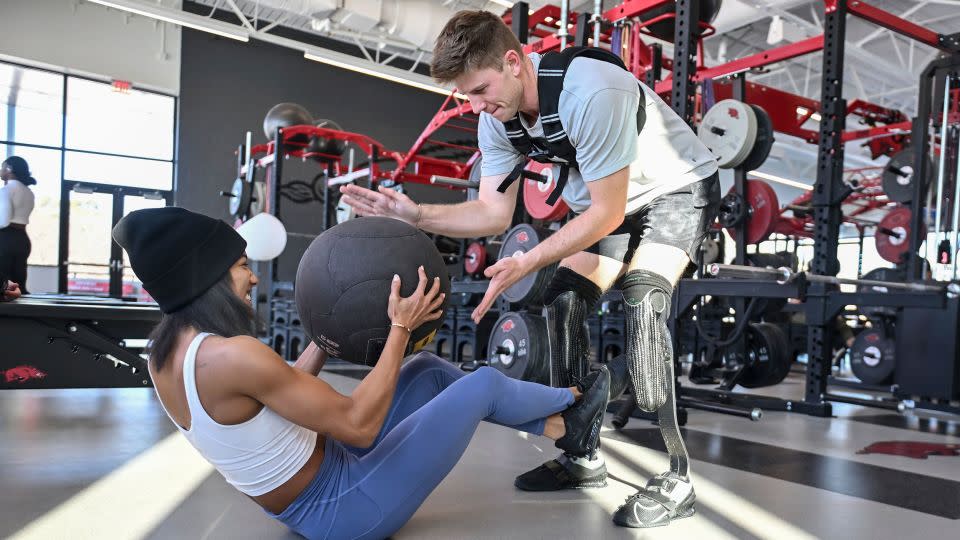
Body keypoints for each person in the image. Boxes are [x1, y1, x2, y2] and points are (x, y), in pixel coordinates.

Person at [338, 10, 720, 528]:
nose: (478, 107)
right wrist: (417, 214)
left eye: (481, 89)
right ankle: (583, 454)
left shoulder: (591, 90)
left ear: (514, 63)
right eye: (467, 97)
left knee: (645, 302)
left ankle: (678, 480)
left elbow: (605, 213)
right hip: (614, 205)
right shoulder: (496, 119)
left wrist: (529, 260)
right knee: (562, 304)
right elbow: (492, 212)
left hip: (675, 189)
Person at [112, 206, 611, 540]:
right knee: (480, 384)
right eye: (242, 265)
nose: (254, 275)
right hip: (344, 510)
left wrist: (325, 332)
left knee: (428, 370)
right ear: (209, 279)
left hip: (320, 484)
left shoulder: (174, 353)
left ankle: (561, 425)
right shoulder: (230, 355)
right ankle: (571, 408)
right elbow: (359, 424)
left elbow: (277, 392)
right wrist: (399, 327)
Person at [0, 156, 37, 295]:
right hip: (22, 239)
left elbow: (3, 220)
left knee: (4, 284)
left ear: (9, 169)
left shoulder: (6, 190)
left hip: (5, 238)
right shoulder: (29, 192)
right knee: (18, 283)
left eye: (2, 167)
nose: (0, 170)